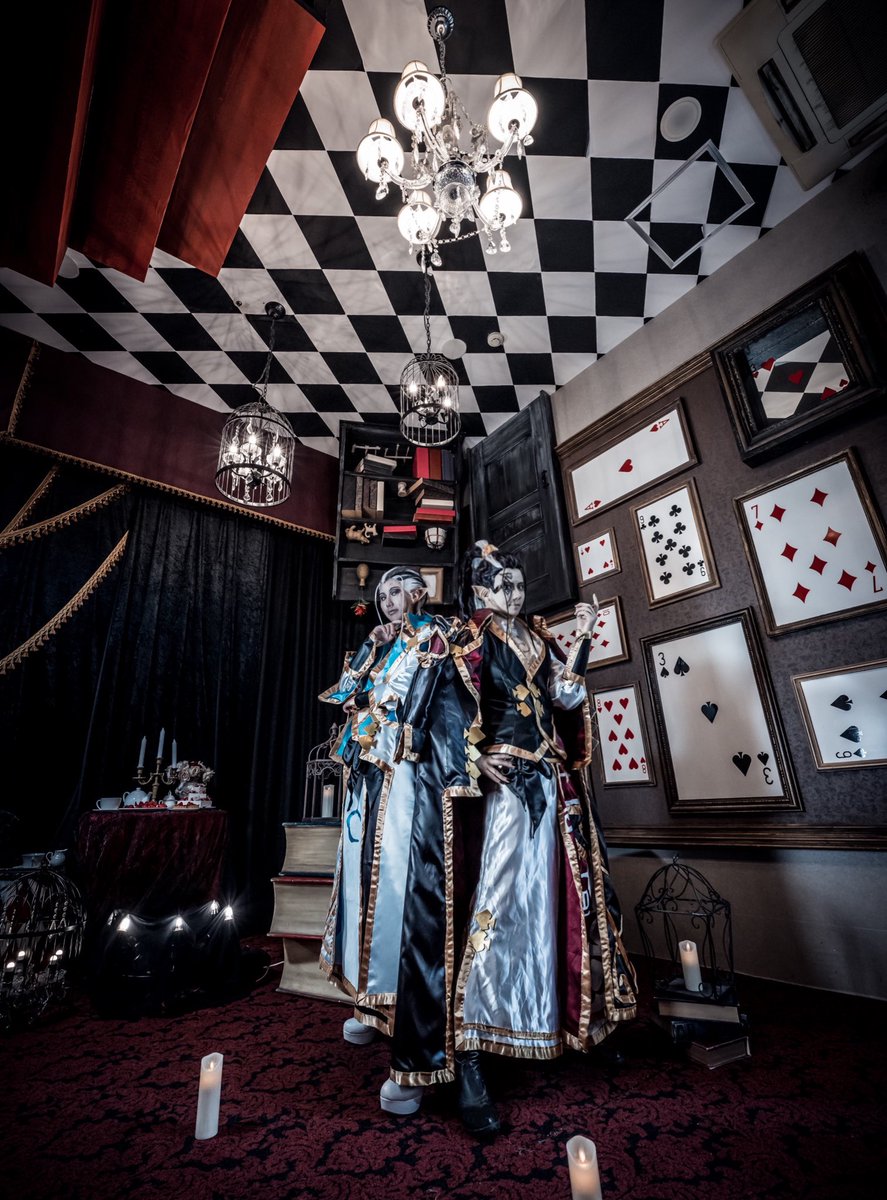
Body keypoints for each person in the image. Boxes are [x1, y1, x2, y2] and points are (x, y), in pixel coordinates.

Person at [388, 540, 637, 1136]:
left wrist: (582, 639)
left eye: (520, 586)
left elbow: (566, 696)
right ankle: (471, 1049)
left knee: (556, 904)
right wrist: (470, 757)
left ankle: (564, 1022)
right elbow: (435, 709)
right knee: (496, 907)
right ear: (480, 590)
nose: (516, 595)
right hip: (502, 793)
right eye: (505, 586)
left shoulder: (540, 639)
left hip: (551, 783)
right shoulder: (465, 638)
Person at [318, 566, 451, 1115]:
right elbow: (349, 695)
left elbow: (436, 709)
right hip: (368, 775)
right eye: (383, 595)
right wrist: (369, 654)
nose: (391, 600)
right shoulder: (379, 647)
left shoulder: (435, 637)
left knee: (396, 882)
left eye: (399, 590)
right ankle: (369, 1000)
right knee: (360, 883)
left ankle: (400, 1003)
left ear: (419, 592)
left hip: (408, 775)